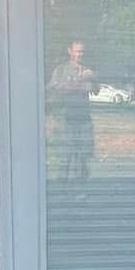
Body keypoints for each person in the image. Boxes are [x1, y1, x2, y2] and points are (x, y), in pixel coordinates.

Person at [48, 39, 96, 179]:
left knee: (83, 159)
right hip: (66, 119)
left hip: (84, 119)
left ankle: (81, 193)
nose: (80, 54)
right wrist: (79, 81)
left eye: (82, 51)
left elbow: (96, 90)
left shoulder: (87, 70)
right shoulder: (60, 70)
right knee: (65, 157)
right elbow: (54, 89)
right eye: (77, 51)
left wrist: (92, 79)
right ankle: (62, 192)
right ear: (70, 51)